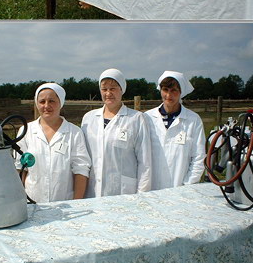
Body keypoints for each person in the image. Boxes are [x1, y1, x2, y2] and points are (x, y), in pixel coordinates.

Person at [15, 82, 91, 202]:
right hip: (32, 202)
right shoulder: (26, 131)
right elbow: (19, 169)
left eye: (52, 101)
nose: (46, 105)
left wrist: (77, 203)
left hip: (66, 204)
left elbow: (81, 170)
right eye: (42, 101)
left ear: (60, 103)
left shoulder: (74, 132)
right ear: (36, 104)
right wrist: (20, 200)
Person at [81, 68, 151, 198]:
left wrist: (142, 196)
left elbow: (145, 162)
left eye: (113, 88)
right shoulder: (88, 118)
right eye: (104, 89)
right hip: (92, 191)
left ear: (122, 90)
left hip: (124, 192)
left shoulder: (136, 119)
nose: (108, 93)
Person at [144, 70, 206, 190]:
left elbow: (199, 157)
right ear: (160, 90)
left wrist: (187, 187)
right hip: (150, 188)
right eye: (165, 90)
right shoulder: (147, 118)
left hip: (180, 189)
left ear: (181, 92)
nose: (168, 95)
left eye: (174, 91)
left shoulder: (193, 120)